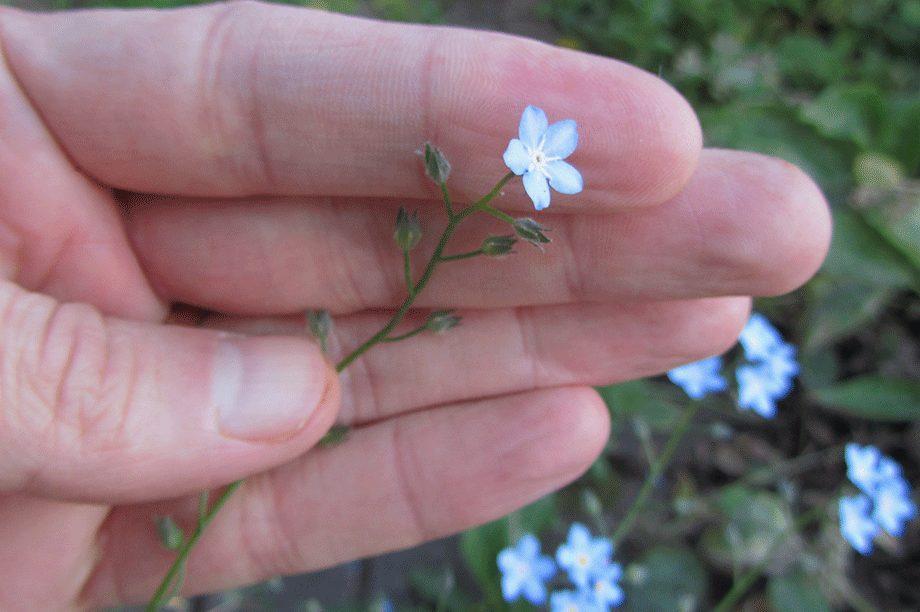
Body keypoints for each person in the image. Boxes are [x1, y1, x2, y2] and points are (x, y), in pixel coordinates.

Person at [0, 2, 831, 610]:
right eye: (535, 155)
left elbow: (536, 168)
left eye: (540, 160)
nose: (537, 160)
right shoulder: (513, 174)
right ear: (523, 154)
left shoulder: (523, 185)